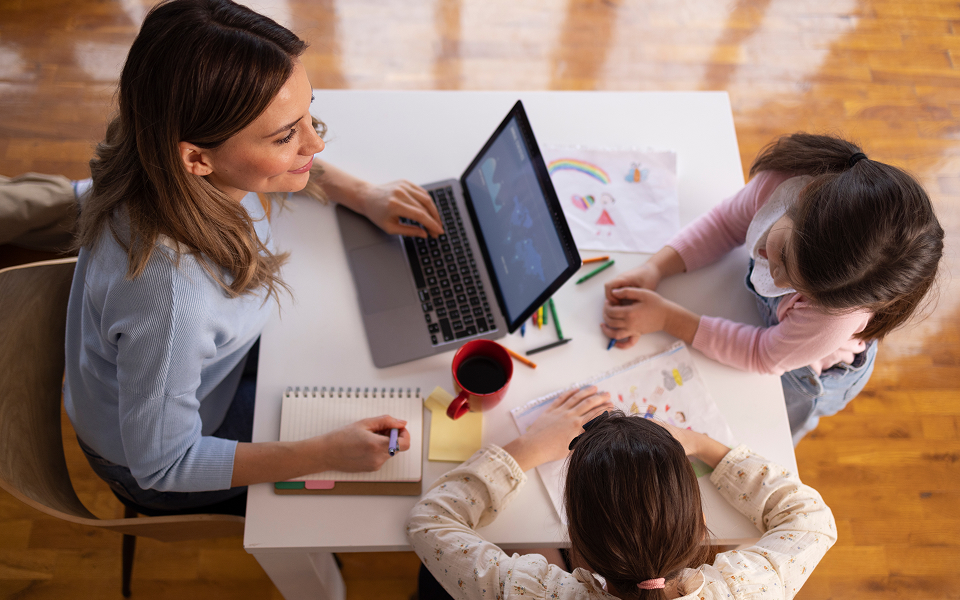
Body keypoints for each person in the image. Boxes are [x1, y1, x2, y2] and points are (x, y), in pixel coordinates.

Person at [63, 0, 445, 515]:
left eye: (308, 111)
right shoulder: (174, 300)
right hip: (155, 461)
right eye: (287, 135)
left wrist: (361, 194)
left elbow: (278, 153)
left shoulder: (146, 140)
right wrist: (325, 452)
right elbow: (165, 465)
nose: (316, 142)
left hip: (195, 373)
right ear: (196, 157)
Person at [600, 134, 944, 443]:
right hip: (791, 336)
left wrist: (667, 318)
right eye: (778, 254)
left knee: (774, 433)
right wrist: (655, 267)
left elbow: (763, 355)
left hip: (803, 371)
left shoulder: (833, 319)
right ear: (804, 193)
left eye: (796, 287)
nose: (774, 280)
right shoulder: (779, 183)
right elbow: (724, 223)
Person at [407, 392, 837, 600]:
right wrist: (706, 445)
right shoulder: (746, 590)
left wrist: (528, 449)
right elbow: (811, 521)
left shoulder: (531, 592)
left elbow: (430, 522)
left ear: (574, 540)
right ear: (698, 523)